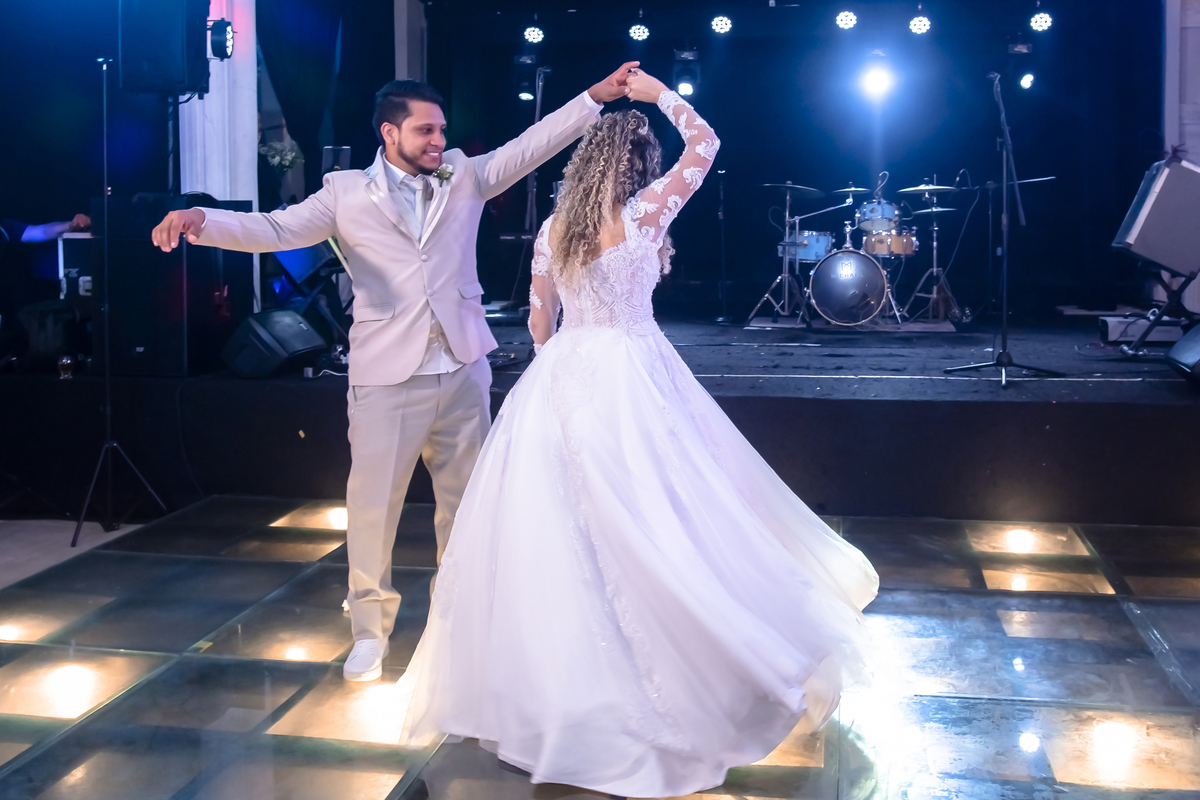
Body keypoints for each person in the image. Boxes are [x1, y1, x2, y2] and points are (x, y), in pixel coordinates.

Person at [393, 69, 880, 799]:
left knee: (562, 533)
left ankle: (561, 690)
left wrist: (555, 354)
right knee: (666, 515)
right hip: (632, 369)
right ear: (640, 168)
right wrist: (654, 93)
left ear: (583, 166)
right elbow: (707, 143)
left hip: (562, 378)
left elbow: (537, 320)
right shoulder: (648, 213)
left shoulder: (554, 230)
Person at [151, 63, 642, 682]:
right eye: (426, 132)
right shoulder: (345, 192)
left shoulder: (464, 175)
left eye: (442, 131)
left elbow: (531, 144)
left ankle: (460, 627)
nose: (439, 141)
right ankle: (368, 632)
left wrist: (594, 95)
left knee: (467, 508)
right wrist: (203, 220)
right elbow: (275, 230)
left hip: (462, 368)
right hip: (386, 375)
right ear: (390, 133)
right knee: (373, 509)